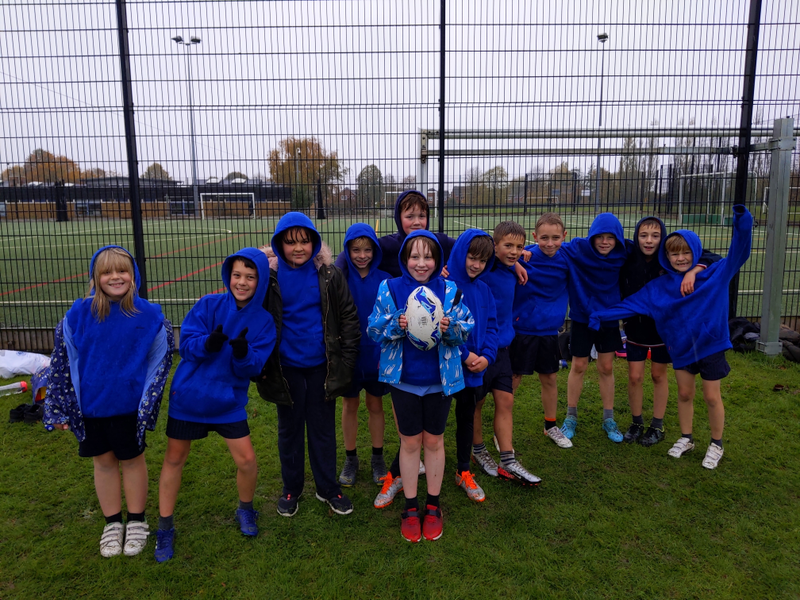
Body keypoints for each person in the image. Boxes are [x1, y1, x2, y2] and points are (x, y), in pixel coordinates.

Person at [590, 205, 752, 469]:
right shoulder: (660, 286)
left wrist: (742, 221)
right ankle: (686, 438)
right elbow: (631, 304)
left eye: (686, 253)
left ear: (695, 254)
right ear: (667, 257)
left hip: (710, 345)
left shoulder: (717, 273)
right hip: (681, 349)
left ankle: (716, 444)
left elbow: (740, 250)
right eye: (674, 254)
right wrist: (599, 315)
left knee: (712, 397)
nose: (680, 259)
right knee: (685, 394)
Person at [43, 246, 173, 558]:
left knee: (131, 460)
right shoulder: (77, 316)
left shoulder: (150, 316)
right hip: (92, 407)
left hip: (128, 407)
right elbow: (61, 363)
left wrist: (147, 405)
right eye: (106, 272)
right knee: (103, 462)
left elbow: (160, 363)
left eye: (122, 270)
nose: (115, 277)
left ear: (134, 275)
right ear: (95, 277)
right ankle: (113, 523)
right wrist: (59, 405)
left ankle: (137, 521)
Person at [153, 248, 276, 563]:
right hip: (190, 397)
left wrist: (241, 354)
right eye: (237, 275)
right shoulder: (208, 305)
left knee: (247, 460)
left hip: (227, 401)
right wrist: (208, 344)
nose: (242, 282)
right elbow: (188, 346)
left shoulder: (264, 322)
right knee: (175, 459)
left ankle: (245, 510)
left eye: (250, 277)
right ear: (228, 276)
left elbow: (254, 367)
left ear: (260, 281)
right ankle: (165, 527)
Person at [368, 230, 473, 542]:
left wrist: (450, 327)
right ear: (404, 258)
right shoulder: (390, 288)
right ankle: (411, 508)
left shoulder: (450, 288)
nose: (421, 263)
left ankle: (434, 505)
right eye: (415, 256)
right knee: (411, 443)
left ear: (437, 259)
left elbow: (466, 327)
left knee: (434, 442)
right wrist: (396, 324)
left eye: (428, 256)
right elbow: (374, 329)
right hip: (404, 381)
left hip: (440, 381)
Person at [255, 212, 361, 518]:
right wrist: (260, 361)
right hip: (285, 368)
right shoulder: (269, 276)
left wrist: (347, 361)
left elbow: (349, 318)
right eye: (290, 242)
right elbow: (256, 318)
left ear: (314, 242)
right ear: (279, 244)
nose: (298, 248)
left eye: (304, 240)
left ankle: (328, 487)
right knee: (289, 431)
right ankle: (292, 488)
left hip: (321, 367)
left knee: (323, 429)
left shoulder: (329, 274)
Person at [617, 217, 717, 447]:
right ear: (636, 236)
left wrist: (695, 270)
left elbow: (711, 257)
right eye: (643, 235)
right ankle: (636, 422)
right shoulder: (628, 255)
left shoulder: (669, 258)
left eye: (655, 235)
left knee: (658, 375)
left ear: (662, 237)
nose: (649, 240)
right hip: (634, 327)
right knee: (634, 376)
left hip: (663, 330)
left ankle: (657, 425)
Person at [471, 221, 541, 486]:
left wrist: (517, 263)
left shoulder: (514, 270)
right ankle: (478, 450)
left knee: (506, 401)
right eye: (508, 245)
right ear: (494, 245)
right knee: (477, 403)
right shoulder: (480, 269)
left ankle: (508, 459)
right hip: (478, 351)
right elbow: (463, 253)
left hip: (502, 349)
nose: (514, 251)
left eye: (519, 247)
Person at [558, 213, 630, 443]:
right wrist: (527, 251)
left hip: (609, 319)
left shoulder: (625, 253)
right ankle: (571, 416)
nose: (605, 242)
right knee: (578, 365)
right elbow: (549, 246)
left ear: (618, 239)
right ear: (592, 237)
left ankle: (609, 418)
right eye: (600, 237)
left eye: (611, 237)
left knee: (606, 367)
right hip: (581, 317)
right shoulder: (579, 249)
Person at [511, 212, 572, 449]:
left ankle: (550, 425)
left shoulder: (568, 258)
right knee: (514, 379)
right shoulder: (524, 255)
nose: (549, 243)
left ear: (564, 236)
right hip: (522, 329)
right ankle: (503, 427)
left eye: (555, 238)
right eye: (544, 238)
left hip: (548, 332)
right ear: (535, 236)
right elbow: (496, 254)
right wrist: (516, 261)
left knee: (549, 378)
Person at [446, 229, 498, 502]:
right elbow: (442, 327)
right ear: (460, 254)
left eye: (482, 260)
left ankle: (463, 470)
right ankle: (410, 467)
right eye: (472, 257)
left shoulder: (485, 290)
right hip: (446, 369)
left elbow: (491, 326)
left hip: (475, 368)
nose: (476, 264)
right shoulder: (445, 286)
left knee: (466, 418)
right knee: (433, 424)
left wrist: (487, 357)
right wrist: (464, 355)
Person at [337, 223, 391, 487]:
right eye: (356, 249)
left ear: (375, 250)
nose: (361, 255)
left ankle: (377, 458)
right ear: (347, 250)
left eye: (367, 249)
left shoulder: (385, 279)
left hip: (377, 357)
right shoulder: (339, 278)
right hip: (349, 357)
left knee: (375, 406)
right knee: (349, 405)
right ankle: (351, 458)